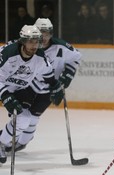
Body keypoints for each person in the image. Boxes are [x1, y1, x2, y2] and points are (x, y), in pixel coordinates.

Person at [9, 18, 82, 152]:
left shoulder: (61, 46)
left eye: (47, 33)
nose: (44, 36)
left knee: (34, 116)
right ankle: (7, 138)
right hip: (28, 85)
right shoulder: (28, 46)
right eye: (41, 33)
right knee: (21, 114)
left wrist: (66, 77)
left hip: (49, 88)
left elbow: (76, 58)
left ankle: (22, 142)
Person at [0, 25, 64, 163]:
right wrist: (5, 95)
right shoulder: (8, 54)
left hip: (20, 89)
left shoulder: (40, 57)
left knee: (24, 119)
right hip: (3, 86)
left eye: (36, 41)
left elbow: (47, 74)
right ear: (22, 41)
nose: (34, 45)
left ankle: (1, 142)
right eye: (30, 41)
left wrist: (55, 85)